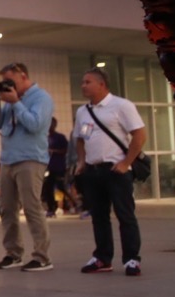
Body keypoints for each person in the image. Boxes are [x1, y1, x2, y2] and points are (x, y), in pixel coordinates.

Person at [73, 67, 146, 276]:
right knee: (99, 216)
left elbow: (139, 135)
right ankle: (102, 258)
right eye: (82, 82)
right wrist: (81, 161)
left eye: (87, 82)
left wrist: (126, 163)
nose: (83, 86)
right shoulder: (82, 111)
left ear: (101, 84)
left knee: (125, 215)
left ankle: (132, 259)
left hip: (116, 170)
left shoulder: (121, 106)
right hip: (93, 171)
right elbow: (79, 138)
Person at [0, 62, 54, 272]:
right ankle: (13, 253)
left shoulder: (41, 98)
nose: (8, 86)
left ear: (23, 75)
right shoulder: (9, 101)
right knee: (7, 209)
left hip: (30, 158)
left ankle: (42, 256)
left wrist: (16, 102)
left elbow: (35, 124)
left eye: (10, 80)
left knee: (32, 207)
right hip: (8, 160)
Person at [43, 117, 69, 216]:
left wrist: (54, 151)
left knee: (60, 187)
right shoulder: (44, 137)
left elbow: (66, 150)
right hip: (47, 167)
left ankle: (64, 205)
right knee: (48, 188)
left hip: (58, 166)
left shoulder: (60, 137)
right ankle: (50, 208)